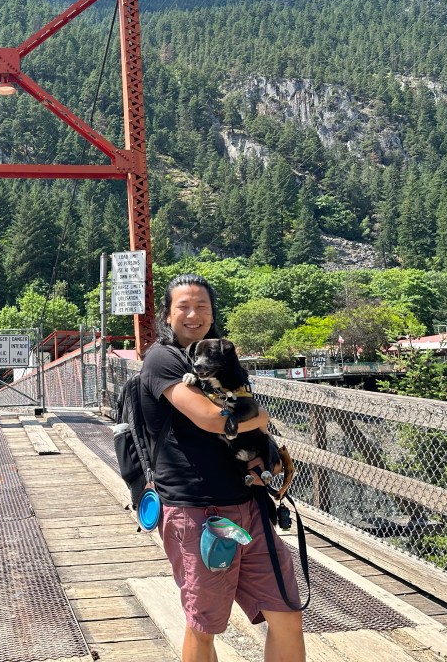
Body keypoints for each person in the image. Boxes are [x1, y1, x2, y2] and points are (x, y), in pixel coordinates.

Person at [139, 273, 305, 662]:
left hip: (249, 504)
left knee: (286, 613)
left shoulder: (222, 356)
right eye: (183, 307)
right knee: (204, 627)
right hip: (199, 511)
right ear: (167, 314)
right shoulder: (163, 359)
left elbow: (238, 418)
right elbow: (213, 419)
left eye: (202, 307)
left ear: (213, 314)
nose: (193, 314)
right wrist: (261, 416)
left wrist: (260, 442)